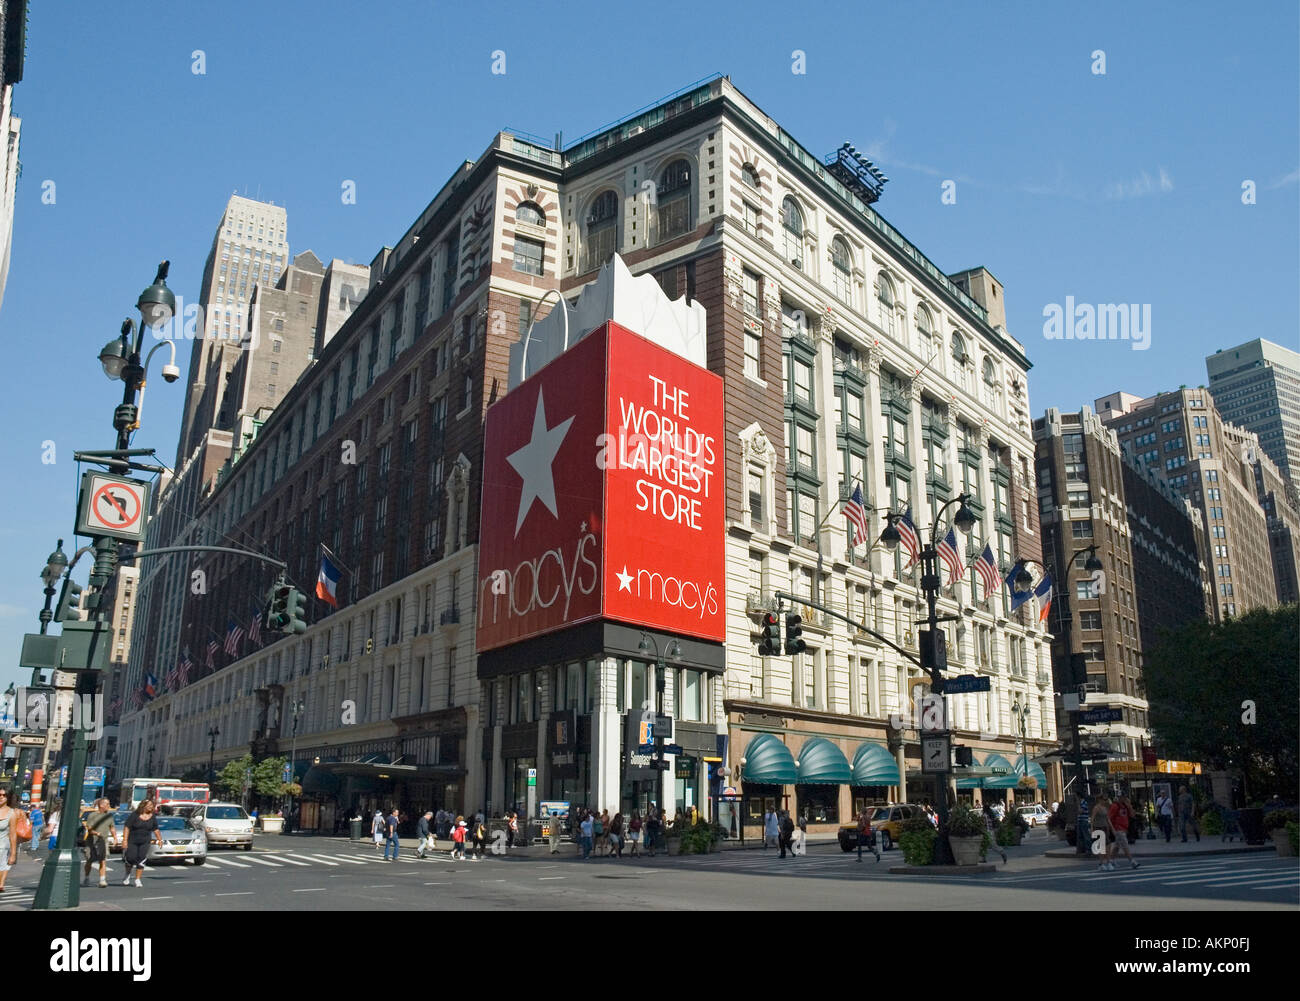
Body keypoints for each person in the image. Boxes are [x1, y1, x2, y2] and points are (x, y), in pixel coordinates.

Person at [123, 799, 164, 887]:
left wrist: (160, 840)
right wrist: (125, 840)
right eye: (149, 805)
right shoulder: (135, 815)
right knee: (130, 858)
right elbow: (127, 827)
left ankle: (138, 879)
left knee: (141, 859)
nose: (151, 807)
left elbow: (155, 829)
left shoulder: (152, 816)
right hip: (132, 840)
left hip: (145, 841)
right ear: (143, 806)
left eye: (152, 805)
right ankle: (127, 875)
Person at [81, 798, 119, 888]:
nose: (109, 806)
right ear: (101, 805)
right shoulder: (92, 815)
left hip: (103, 840)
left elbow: (112, 827)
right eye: (107, 804)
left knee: (103, 859)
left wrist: (115, 838)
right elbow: (89, 828)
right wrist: (96, 833)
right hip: (92, 841)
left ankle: (102, 880)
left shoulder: (109, 816)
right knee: (89, 860)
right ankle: (86, 877)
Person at [1108, 795, 1139, 870]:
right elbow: (1109, 818)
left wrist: (1129, 805)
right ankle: (1132, 861)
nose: (1123, 799)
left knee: (1117, 846)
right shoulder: (1115, 806)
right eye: (1121, 797)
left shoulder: (1125, 806)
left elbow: (1132, 815)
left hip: (1124, 828)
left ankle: (1111, 861)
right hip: (1118, 828)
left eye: (1124, 797)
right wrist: (1112, 829)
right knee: (1125, 845)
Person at [0, 787, 19, 893]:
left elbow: (12, 835)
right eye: (0, 795)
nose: (1, 797)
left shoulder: (11, 814)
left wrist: (13, 854)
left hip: (3, 846)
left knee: (2, 867)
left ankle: (1, 884)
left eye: (4, 795)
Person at [1091, 797, 1115, 871]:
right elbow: (1092, 818)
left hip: (1105, 827)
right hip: (1098, 827)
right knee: (1102, 846)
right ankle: (1102, 863)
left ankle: (1106, 862)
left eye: (1105, 799)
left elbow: (1107, 819)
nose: (1105, 801)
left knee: (1108, 845)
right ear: (1099, 800)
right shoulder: (1096, 808)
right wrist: (1092, 829)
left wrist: (1112, 828)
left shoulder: (1105, 808)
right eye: (1103, 799)